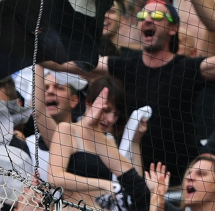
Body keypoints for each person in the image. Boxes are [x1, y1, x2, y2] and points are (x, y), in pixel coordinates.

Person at [58, 0, 215, 184]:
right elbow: (76, 64)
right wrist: (37, 50)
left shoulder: (188, 68)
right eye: (143, 17)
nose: (148, 21)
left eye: (157, 17)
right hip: (135, 172)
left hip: (182, 176)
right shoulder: (124, 67)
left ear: (173, 29)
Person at [48, 76, 150, 210]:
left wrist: (135, 141)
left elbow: (133, 186)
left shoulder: (109, 140)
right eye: (106, 110)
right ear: (89, 102)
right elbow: (55, 177)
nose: (110, 119)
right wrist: (104, 184)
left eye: (116, 114)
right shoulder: (67, 130)